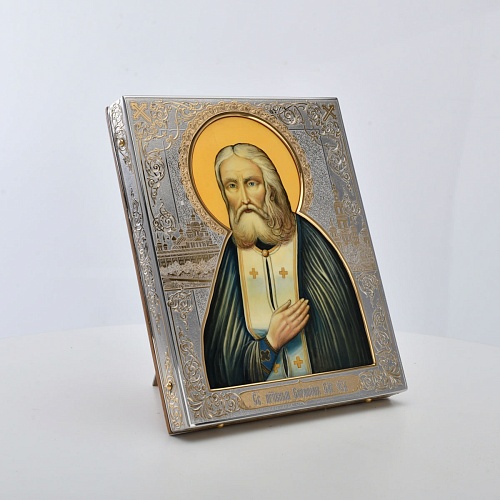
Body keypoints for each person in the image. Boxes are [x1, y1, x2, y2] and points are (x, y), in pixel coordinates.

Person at [203, 143, 373, 389]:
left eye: (251, 183)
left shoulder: (309, 240)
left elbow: (341, 335)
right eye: (232, 186)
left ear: (270, 187)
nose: (244, 199)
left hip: (319, 391)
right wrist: (271, 342)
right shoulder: (232, 253)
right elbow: (221, 360)